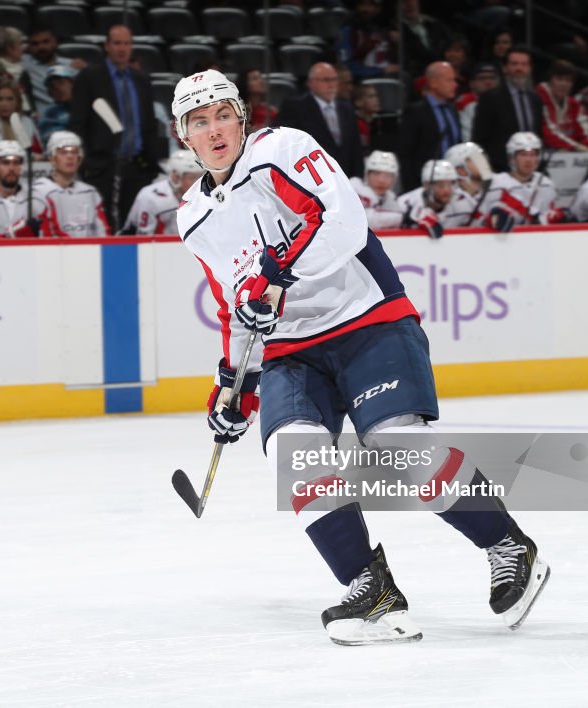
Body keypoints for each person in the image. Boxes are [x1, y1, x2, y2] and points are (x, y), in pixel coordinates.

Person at [170, 69, 549, 646]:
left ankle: (507, 546)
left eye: (224, 114)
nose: (215, 129)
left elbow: (342, 223)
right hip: (290, 352)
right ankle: (371, 591)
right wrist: (236, 389)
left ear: (242, 117)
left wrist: (275, 278)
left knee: (398, 446)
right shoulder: (193, 217)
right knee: (294, 456)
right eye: (200, 122)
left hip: (367, 319)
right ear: (184, 137)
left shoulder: (284, 149)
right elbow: (232, 308)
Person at [70, 25, 160, 233]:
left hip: (137, 167)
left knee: (133, 228)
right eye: (117, 43)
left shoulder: (141, 79)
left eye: (127, 43)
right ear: (107, 46)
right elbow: (79, 122)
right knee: (105, 227)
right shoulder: (89, 77)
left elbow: (148, 123)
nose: (122, 48)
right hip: (102, 166)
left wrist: (151, 163)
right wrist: (85, 162)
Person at [275, 62, 365, 178]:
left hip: (344, 177)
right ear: (311, 83)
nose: (332, 85)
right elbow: (283, 141)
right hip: (311, 178)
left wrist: (357, 178)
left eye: (334, 80)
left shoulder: (346, 108)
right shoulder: (295, 107)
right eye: (326, 80)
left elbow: (355, 147)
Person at [472, 46, 543, 172]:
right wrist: (485, 175)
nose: (519, 69)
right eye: (514, 64)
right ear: (505, 68)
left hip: (531, 171)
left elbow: (538, 135)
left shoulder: (535, 99)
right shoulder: (490, 99)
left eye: (524, 64)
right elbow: (478, 141)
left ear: (530, 68)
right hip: (500, 172)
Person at [477, 132, 568, 230]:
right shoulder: (495, 184)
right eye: (523, 154)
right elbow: (480, 219)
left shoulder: (546, 184)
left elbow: (549, 219)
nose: (528, 160)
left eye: (533, 154)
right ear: (512, 157)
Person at [34, 131, 111, 238]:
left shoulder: (91, 192)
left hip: (90, 252)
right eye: (63, 152)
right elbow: (48, 234)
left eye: (74, 152)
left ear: (80, 158)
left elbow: (103, 232)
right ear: (52, 158)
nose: (70, 157)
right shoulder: (40, 192)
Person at [398, 62, 461, 190]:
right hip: (424, 184)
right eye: (449, 80)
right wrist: (412, 188)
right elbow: (406, 155)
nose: (455, 85)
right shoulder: (415, 111)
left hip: (452, 183)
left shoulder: (452, 110)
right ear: (433, 83)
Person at [121, 149, 203, 235]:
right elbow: (143, 240)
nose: (198, 183)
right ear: (175, 177)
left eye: (200, 177)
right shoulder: (150, 198)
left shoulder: (206, 196)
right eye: (192, 177)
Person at [0, 79, 41, 183]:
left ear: (18, 102)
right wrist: (31, 156)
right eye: (0, 99)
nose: (4, 104)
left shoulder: (27, 121)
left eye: (9, 99)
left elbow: (37, 149)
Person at [22, 23, 86, 119]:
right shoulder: (23, 64)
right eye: (35, 44)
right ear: (29, 46)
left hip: (71, 117)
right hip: (42, 121)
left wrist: (87, 69)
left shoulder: (72, 65)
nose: (41, 47)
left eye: (46, 42)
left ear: (55, 42)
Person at [536, 60, 588, 152]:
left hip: (569, 157)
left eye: (568, 80)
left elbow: (587, 132)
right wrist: (576, 147)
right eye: (559, 79)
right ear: (550, 80)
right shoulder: (539, 98)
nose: (564, 84)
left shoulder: (574, 105)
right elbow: (548, 132)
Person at [336, 0, 399, 81]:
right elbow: (346, 66)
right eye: (362, 4)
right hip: (363, 81)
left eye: (370, 5)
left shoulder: (384, 31)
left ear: (378, 8)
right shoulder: (347, 31)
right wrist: (380, 71)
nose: (365, 9)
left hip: (388, 78)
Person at [349, 150, 404, 229]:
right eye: (376, 173)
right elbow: (359, 219)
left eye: (388, 175)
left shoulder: (391, 198)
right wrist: (401, 218)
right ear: (367, 174)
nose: (381, 180)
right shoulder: (354, 187)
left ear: (394, 179)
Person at [443, 140, 495, 223]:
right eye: (475, 158)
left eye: (482, 156)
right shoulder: (451, 201)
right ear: (461, 170)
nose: (483, 161)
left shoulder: (497, 189)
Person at [455, 63, 498, 143]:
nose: (488, 82)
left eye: (492, 78)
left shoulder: (503, 101)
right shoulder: (465, 101)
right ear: (471, 84)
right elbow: (466, 136)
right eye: (482, 78)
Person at [37, 66, 75, 145]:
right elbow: (52, 139)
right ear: (50, 93)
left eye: (61, 82)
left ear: (73, 84)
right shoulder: (49, 113)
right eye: (52, 86)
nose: (57, 88)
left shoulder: (89, 105)